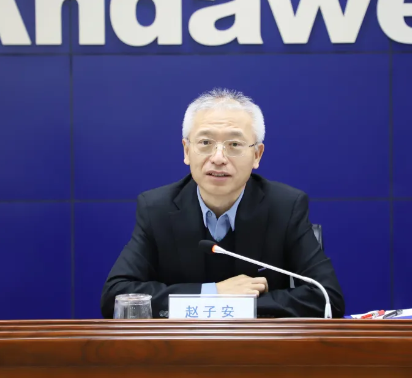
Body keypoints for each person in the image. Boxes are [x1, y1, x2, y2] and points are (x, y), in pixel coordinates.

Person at [100, 89, 345, 318]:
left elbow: (327, 298)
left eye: (234, 145)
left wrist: (236, 305)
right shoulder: (157, 209)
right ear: (186, 151)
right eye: (205, 143)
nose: (218, 158)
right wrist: (213, 294)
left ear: (257, 155)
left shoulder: (285, 207)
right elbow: (117, 296)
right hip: (181, 347)